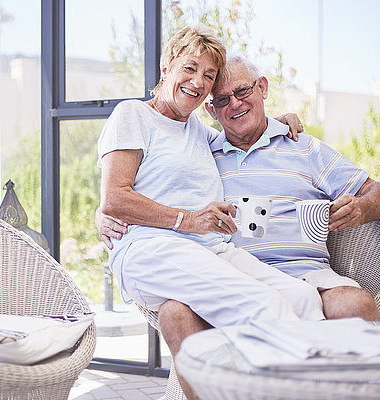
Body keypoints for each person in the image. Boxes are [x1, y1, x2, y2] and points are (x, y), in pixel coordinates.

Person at [98, 56, 380, 385]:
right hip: (222, 269)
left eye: (243, 91)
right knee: (175, 313)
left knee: (355, 306)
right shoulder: (201, 149)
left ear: (263, 88)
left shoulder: (302, 147)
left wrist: (361, 208)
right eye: (222, 100)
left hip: (304, 271)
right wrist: (103, 212)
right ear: (211, 110)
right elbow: (137, 185)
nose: (235, 104)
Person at [98, 26, 326, 337]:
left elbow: (241, 134)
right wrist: (188, 220)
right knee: (268, 307)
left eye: (208, 75)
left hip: (209, 248)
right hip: (152, 250)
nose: (198, 82)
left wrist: (277, 122)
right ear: (166, 68)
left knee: (303, 298)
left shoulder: (197, 130)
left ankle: (317, 380)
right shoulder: (133, 115)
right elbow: (114, 198)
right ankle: (264, 384)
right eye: (189, 68)